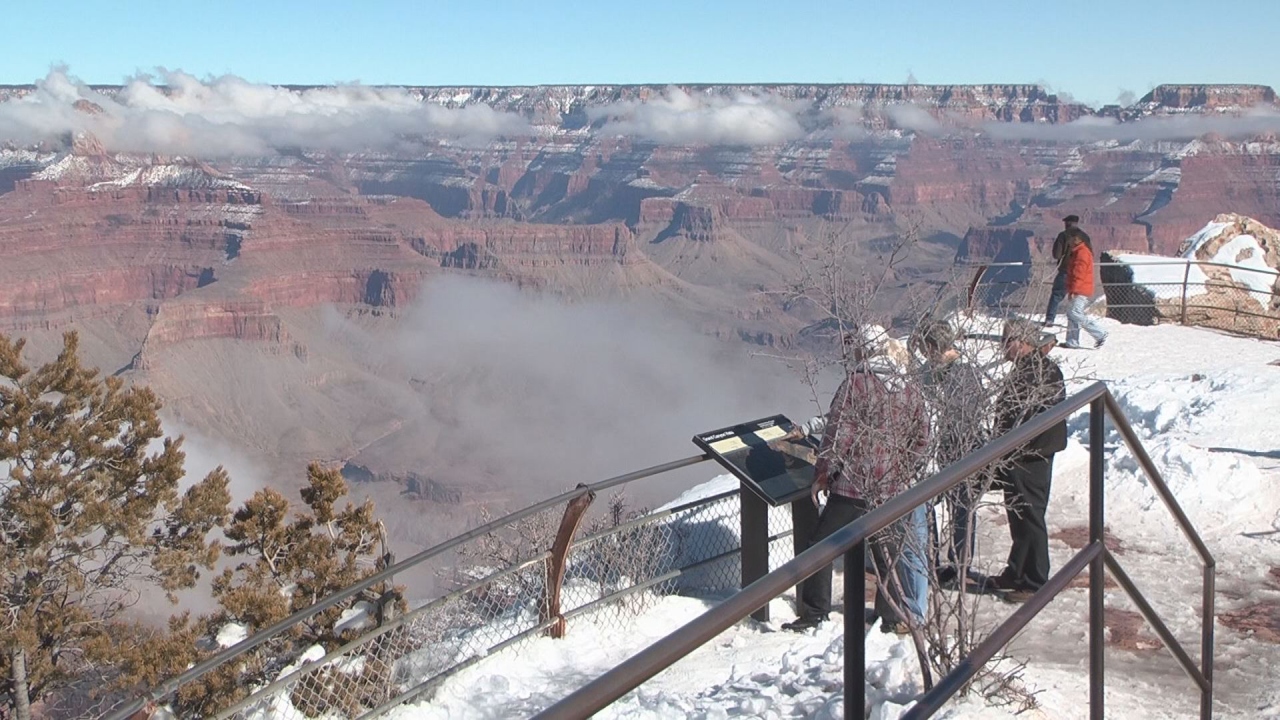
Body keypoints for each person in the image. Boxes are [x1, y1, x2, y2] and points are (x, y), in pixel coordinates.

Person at [783, 326, 932, 634]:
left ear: (864, 350)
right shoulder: (906, 385)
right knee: (884, 552)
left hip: (852, 485)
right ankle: (889, 616)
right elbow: (922, 435)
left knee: (820, 547)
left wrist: (823, 474)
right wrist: (903, 469)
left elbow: (839, 433)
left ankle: (814, 614)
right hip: (890, 486)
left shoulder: (857, 384)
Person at [987, 319, 1068, 603]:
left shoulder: (1037, 372)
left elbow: (1032, 417)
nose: (1003, 346)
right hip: (1021, 454)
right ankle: (1017, 570)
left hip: (1031, 455)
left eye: (1007, 340)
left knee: (1029, 516)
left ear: (1023, 343)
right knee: (1019, 514)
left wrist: (1008, 445)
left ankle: (1034, 581)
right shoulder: (1031, 368)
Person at [909, 319, 991, 588]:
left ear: (933, 346)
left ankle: (958, 566)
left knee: (961, 508)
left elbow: (964, 413)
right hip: (941, 447)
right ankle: (936, 562)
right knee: (940, 506)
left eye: (923, 347)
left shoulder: (962, 373)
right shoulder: (931, 371)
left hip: (959, 447)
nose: (921, 352)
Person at [1062, 227, 1108, 349]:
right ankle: (1072, 342)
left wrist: (1074, 290)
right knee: (1072, 314)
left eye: (1069, 238)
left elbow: (1079, 274)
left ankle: (1099, 333)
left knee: (1075, 313)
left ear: (1076, 239)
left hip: (1080, 289)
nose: (1068, 241)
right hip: (1079, 288)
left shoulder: (1081, 253)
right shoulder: (1078, 251)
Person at [1044, 215, 1083, 327]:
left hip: (1066, 270)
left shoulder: (1063, 236)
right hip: (1079, 271)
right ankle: (1075, 323)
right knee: (1076, 298)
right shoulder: (1083, 237)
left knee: (1056, 295)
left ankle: (1050, 319)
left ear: (1067, 224)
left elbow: (1056, 255)